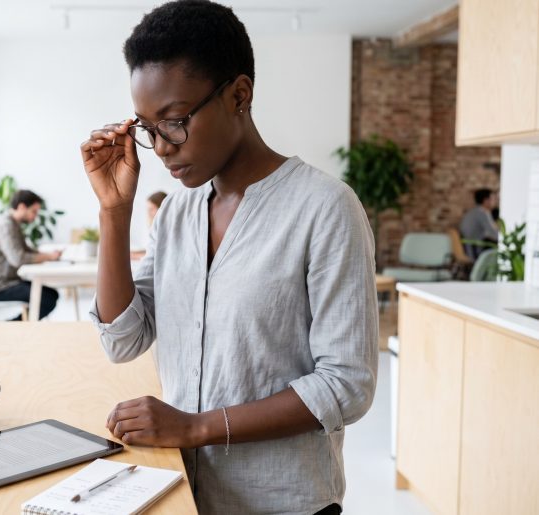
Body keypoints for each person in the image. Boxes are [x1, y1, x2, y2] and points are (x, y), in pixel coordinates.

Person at [79, 2, 378, 514]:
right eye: (148, 129)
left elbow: (347, 384)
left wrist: (196, 427)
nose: (163, 147)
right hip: (184, 493)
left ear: (239, 95)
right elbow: (123, 339)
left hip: (284, 502)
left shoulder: (324, 207)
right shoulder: (175, 213)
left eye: (173, 122)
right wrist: (114, 211)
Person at [0, 189, 61, 320]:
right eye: (34, 211)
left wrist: (48, 254)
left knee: (51, 294)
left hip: (7, 281)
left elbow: (25, 249)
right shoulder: (6, 225)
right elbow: (18, 259)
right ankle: (13, 327)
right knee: (47, 298)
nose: (35, 216)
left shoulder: (13, 223)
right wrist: (48, 257)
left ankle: (22, 323)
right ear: (22, 207)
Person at [459, 188, 499, 260]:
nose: (496, 201)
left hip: (470, 245)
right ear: (486, 201)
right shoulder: (482, 213)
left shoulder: (475, 211)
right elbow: (493, 233)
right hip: (474, 248)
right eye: (494, 199)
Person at [131, 191, 167, 259]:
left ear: (162, 209)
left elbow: (158, 255)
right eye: (148, 209)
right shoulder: (151, 227)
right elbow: (150, 250)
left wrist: (134, 256)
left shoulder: (166, 229)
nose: (148, 213)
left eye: (152, 209)